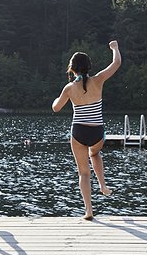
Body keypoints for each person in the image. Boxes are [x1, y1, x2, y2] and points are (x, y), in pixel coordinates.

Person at [52, 40, 121, 220]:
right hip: (97, 131)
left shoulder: (69, 88)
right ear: (89, 67)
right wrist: (115, 48)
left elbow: (56, 108)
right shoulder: (98, 80)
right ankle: (103, 185)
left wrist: (55, 99)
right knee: (95, 154)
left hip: (78, 132)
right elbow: (116, 64)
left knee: (83, 173)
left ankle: (89, 211)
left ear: (72, 69)